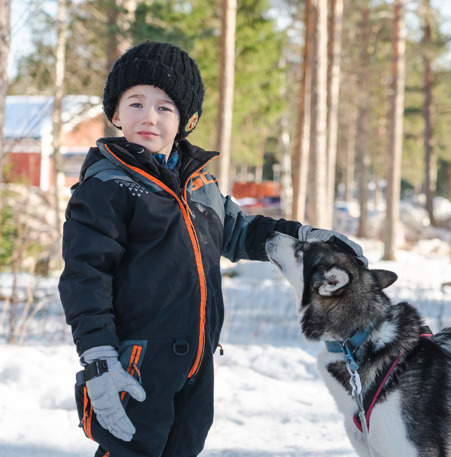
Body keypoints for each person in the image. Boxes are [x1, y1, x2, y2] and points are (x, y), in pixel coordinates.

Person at [58, 40, 366, 457]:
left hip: (196, 359)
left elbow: (240, 231)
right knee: (132, 449)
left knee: (184, 447)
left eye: (165, 107)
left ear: (188, 119)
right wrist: (98, 359)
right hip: (134, 361)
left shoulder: (199, 184)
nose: (149, 116)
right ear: (115, 113)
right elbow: (85, 276)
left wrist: (307, 239)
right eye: (136, 103)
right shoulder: (107, 187)